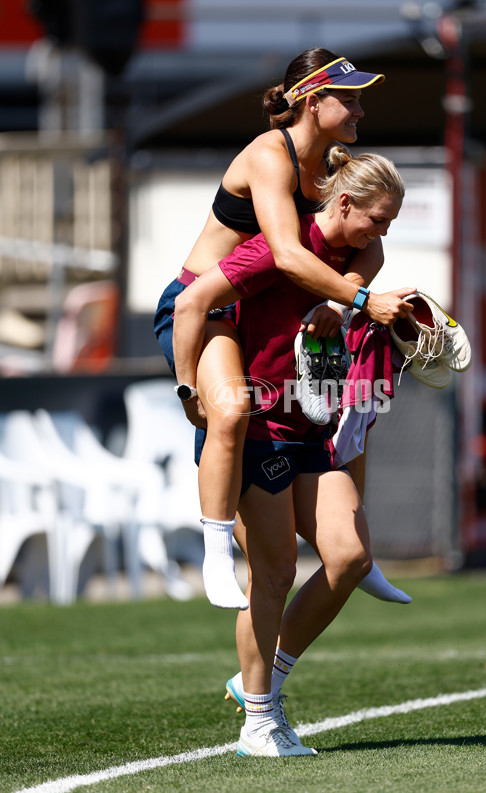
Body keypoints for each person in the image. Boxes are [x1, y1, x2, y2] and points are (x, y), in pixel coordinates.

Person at [154, 48, 413, 611]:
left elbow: (372, 248)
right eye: (350, 99)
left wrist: (345, 308)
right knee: (229, 409)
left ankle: (350, 554)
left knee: (356, 409)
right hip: (204, 307)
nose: (360, 110)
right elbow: (289, 256)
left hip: (257, 310)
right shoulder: (271, 155)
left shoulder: (334, 166)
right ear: (312, 100)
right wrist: (365, 302)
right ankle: (217, 552)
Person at [177, 147, 413, 756]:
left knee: (350, 556)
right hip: (256, 430)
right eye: (378, 218)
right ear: (343, 202)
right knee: (277, 571)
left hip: (306, 424)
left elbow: (352, 288)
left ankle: (260, 681)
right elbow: (190, 302)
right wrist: (187, 389)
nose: (383, 231)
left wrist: (354, 308)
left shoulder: (361, 254)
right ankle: (260, 720)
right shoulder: (280, 247)